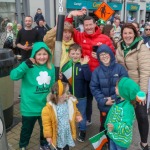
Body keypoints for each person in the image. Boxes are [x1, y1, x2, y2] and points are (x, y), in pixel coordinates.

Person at [66, 13, 115, 125]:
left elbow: (112, 54)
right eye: (86, 25)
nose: (88, 27)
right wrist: (70, 15)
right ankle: (87, 120)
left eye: (90, 25)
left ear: (95, 24)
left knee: (103, 101)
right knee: (87, 99)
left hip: (101, 76)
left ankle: (106, 123)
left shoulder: (105, 38)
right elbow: (67, 27)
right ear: (83, 26)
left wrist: (99, 56)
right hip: (86, 76)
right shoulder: (79, 36)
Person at [10, 42, 55, 150]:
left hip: (45, 106)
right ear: (34, 55)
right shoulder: (28, 66)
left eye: (44, 54)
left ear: (48, 55)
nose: (42, 57)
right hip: (29, 106)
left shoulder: (51, 67)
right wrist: (25, 65)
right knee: (26, 129)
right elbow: (13, 76)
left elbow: (52, 85)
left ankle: (44, 144)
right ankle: (23, 145)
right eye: (39, 54)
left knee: (45, 128)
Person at [116, 23, 150, 150]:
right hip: (124, 88)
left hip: (137, 88)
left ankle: (144, 143)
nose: (127, 35)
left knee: (141, 116)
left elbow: (145, 72)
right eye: (125, 33)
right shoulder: (119, 46)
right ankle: (122, 139)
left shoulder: (142, 48)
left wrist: (142, 92)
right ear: (122, 34)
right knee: (124, 114)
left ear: (135, 33)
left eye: (130, 33)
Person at [90, 44, 128, 132]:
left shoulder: (120, 69)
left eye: (106, 54)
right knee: (104, 124)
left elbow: (124, 85)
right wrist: (103, 100)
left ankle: (113, 143)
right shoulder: (97, 71)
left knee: (116, 125)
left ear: (110, 54)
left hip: (118, 104)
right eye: (101, 55)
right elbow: (94, 87)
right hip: (104, 105)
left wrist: (113, 98)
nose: (104, 56)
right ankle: (104, 141)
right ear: (98, 57)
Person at [61, 43, 91, 142]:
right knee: (69, 113)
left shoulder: (83, 65)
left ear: (81, 54)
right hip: (69, 96)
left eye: (77, 53)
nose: (75, 55)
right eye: (73, 53)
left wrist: (85, 65)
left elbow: (88, 78)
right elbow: (64, 81)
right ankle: (71, 128)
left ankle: (82, 130)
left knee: (81, 114)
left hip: (82, 96)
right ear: (69, 54)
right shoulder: (66, 66)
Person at [105, 77, 146, 150]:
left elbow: (127, 126)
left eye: (117, 87)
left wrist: (115, 127)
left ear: (124, 92)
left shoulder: (128, 108)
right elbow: (111, 114)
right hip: (113, 135)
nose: (115, 88)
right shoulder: (118, 100)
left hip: (121, 140)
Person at [42, 80, 82, 150]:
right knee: (58, 147)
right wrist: (48, 136)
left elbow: (74, 110)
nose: (69, 93)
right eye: (67, 92)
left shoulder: (69, 102)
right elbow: (46, 124)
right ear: (60, 95)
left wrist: (77, 115)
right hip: (57, 133)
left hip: (66, 131)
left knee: (66, 147)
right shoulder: (48, 109)